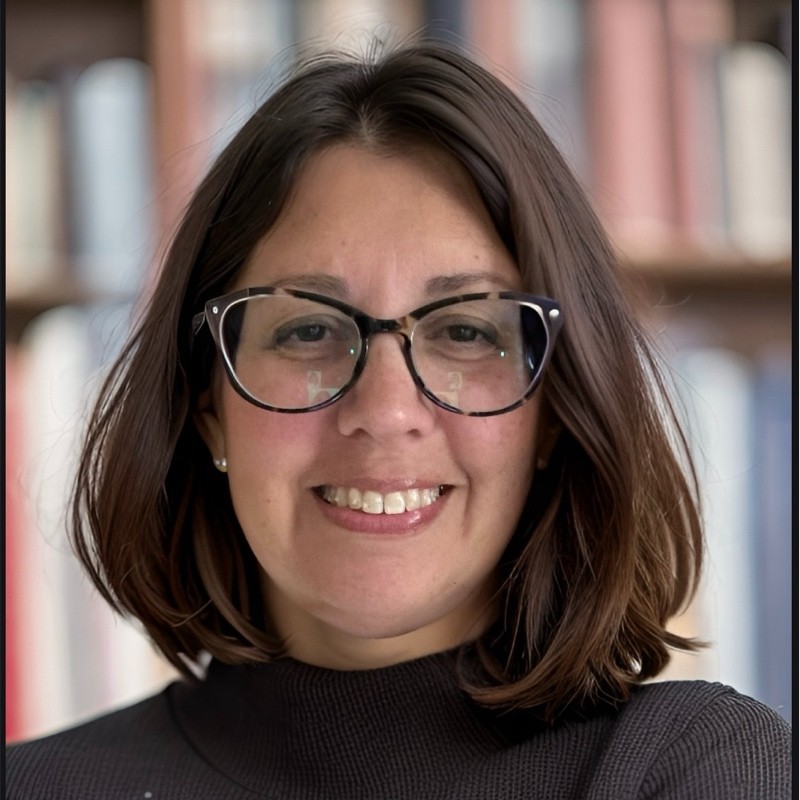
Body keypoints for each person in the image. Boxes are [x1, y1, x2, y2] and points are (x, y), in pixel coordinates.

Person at [7, 40, 791, 799]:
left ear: (555, 409)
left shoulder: (696, 769)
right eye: (308, 330)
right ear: (208, 406)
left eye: (466, 331)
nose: (384, 412)